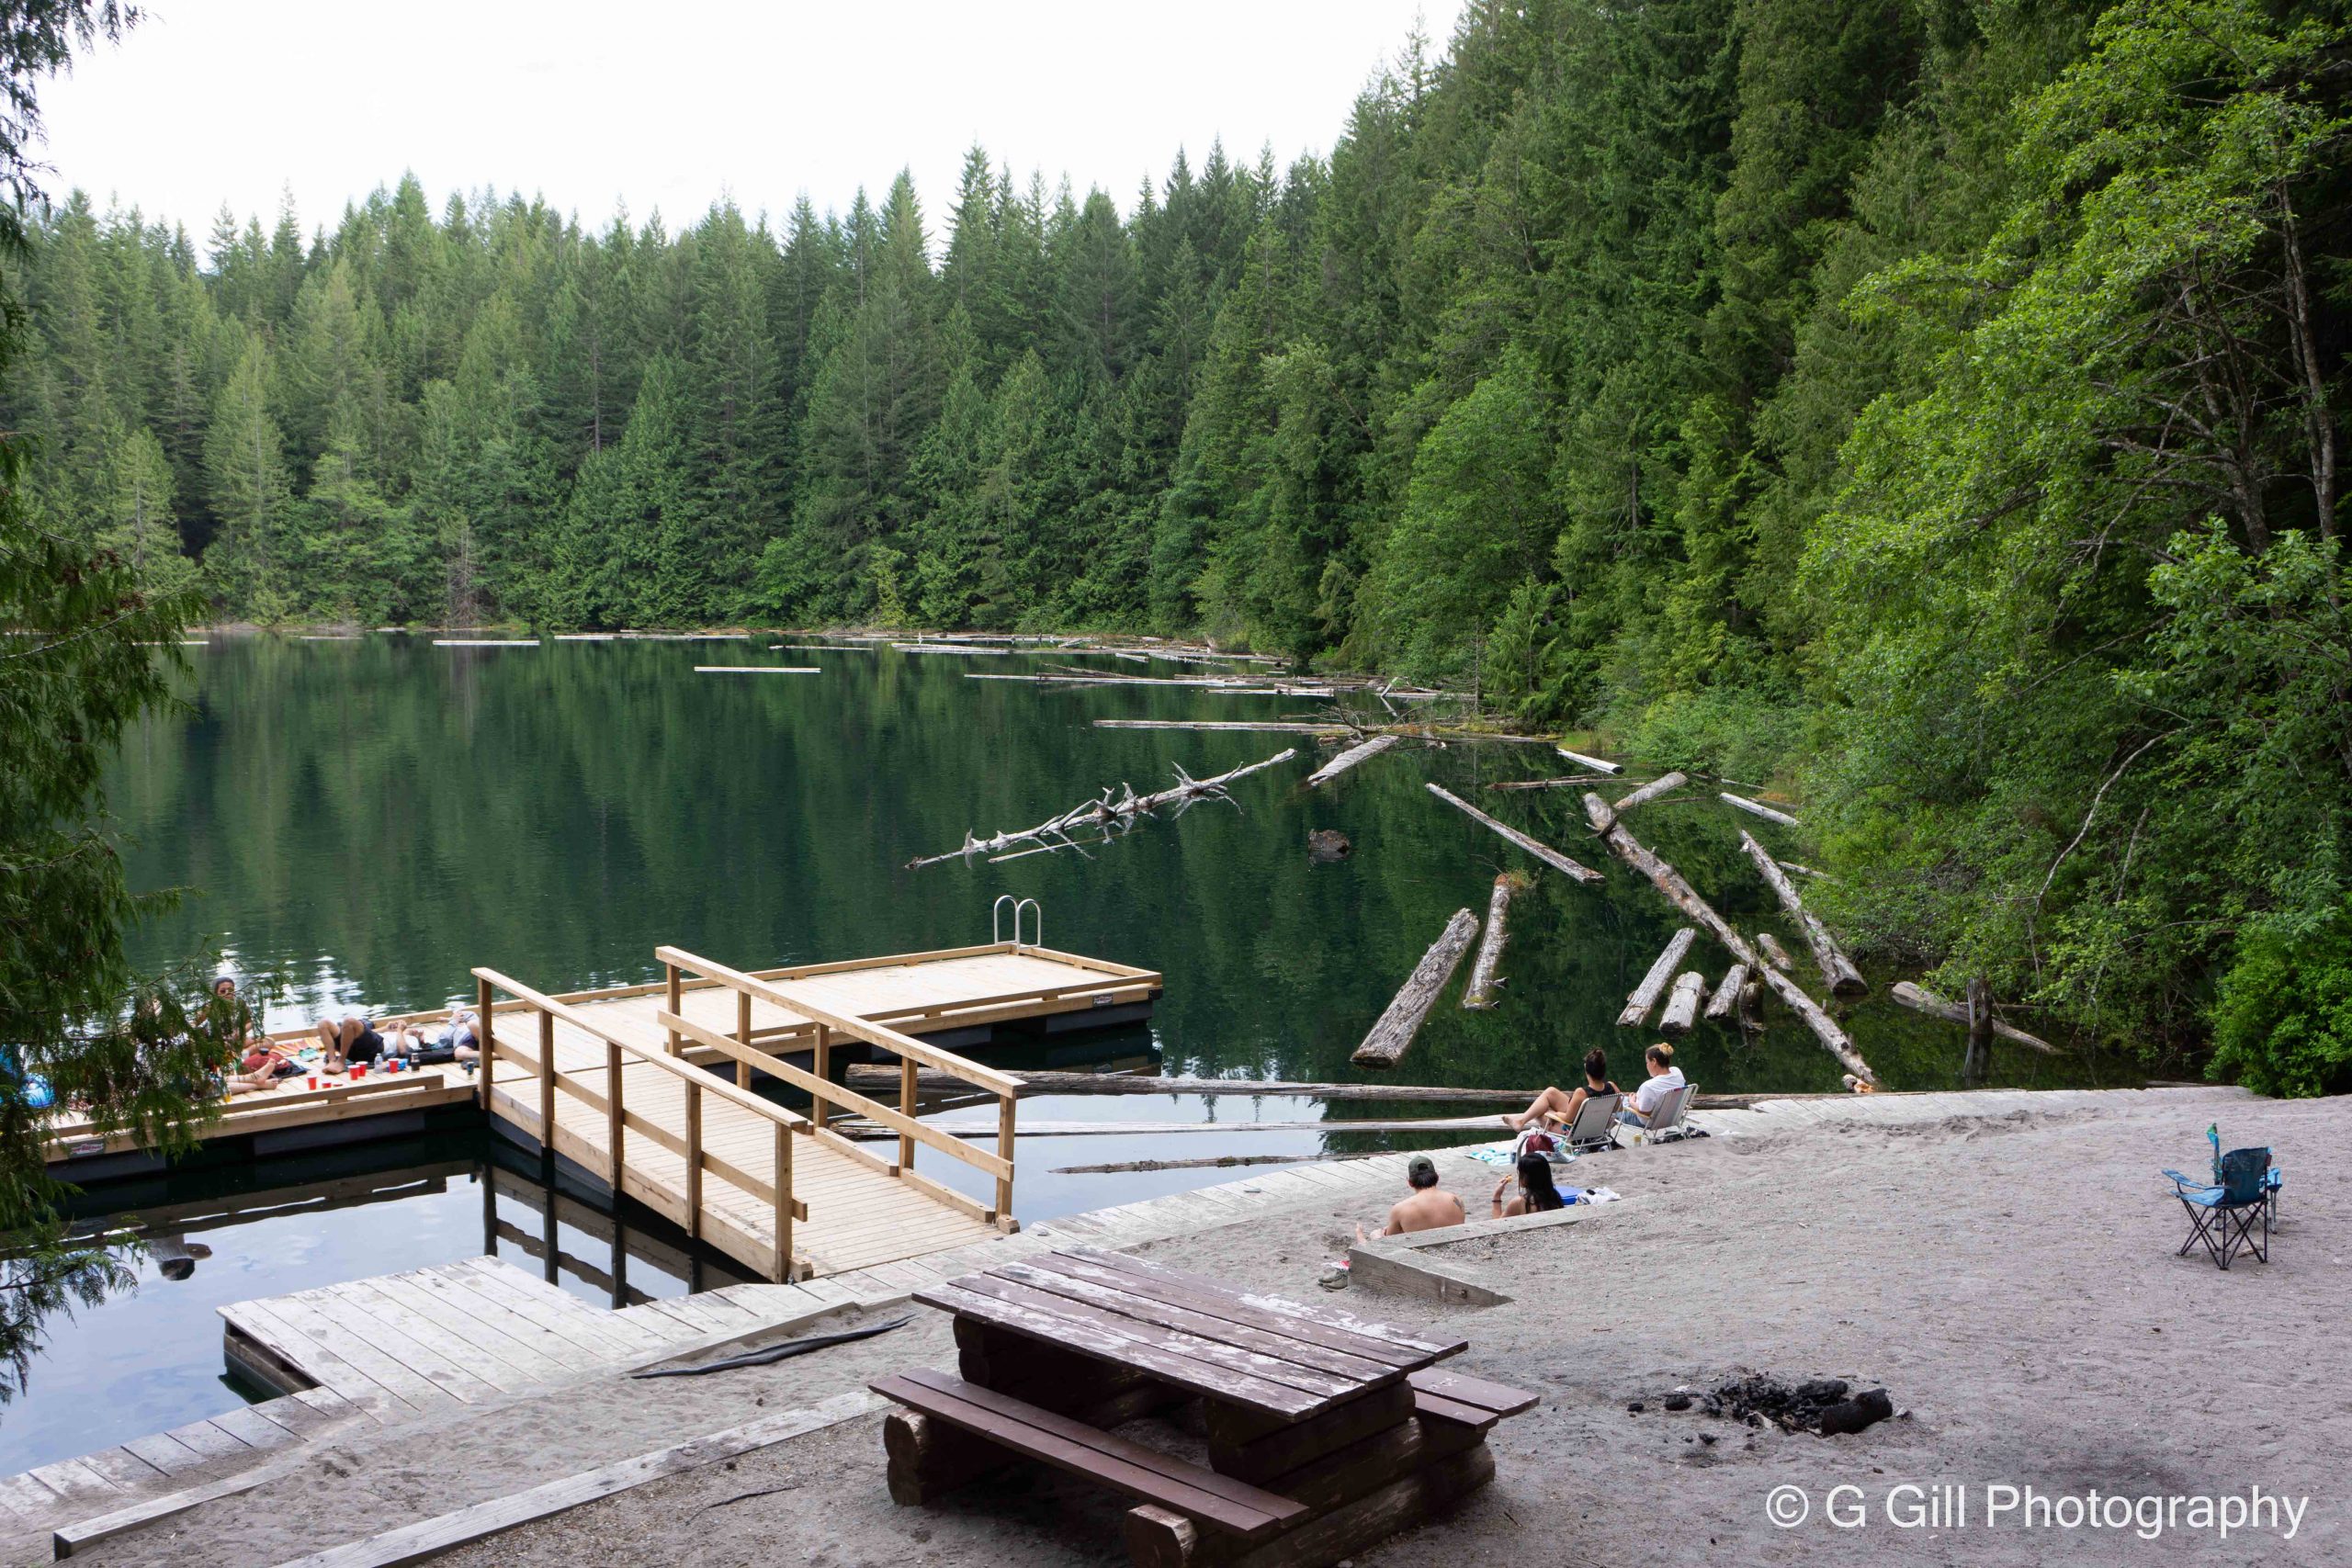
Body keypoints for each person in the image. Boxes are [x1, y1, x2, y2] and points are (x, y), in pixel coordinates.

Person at [1502, 1049, 1621, 1134]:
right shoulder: (1612, 1087)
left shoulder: (1581, 1093)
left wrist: (1555, 1114)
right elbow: (1619, 1108)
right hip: (1597, 1126)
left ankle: (1521, 1121)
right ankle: (1520, 1121)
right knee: (1550, 1092)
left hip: (1577, 1133)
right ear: (1603, 1071)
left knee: (1541, 1112)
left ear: (1586, 1070)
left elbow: (1568, 1119)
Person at [1355, 1155, 1465, 1242]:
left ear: (1410, 1182)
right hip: (1453, 1249)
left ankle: (1360, 1238)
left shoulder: (1401, 1208)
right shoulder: (1457, 1200)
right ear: (1437, 1177)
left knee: (1376, 1235)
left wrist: (1379, 1234)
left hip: (1423, 1254)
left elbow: (1389, 1241)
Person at [1616, 1043, 1686, 1129]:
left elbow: (1645, 1112)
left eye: (1647, 1062)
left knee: (1612, 1110)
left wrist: (1632, 1102)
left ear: (1654, 1062)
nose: (1647, 1065)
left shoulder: (1649, 1086)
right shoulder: (1677, 1072)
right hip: (1670, 1118)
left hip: (1645, 1121)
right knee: (1623, 1099)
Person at [1493, 1153, 1568, 1218]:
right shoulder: (1555, 1197)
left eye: (1520, 1173)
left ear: (1526, 1177)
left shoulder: (1519, 1202)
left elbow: (1497, 1225)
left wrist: (1497, 1195)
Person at [315, 1007, 386, 1073]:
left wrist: (388, 1028)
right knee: (323, 1024)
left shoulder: (394, 1034)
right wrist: (386, 1027)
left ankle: (341, 1062)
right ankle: (332, 1061)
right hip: (351, 1050)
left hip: (374, 1049)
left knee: (349, 1022)